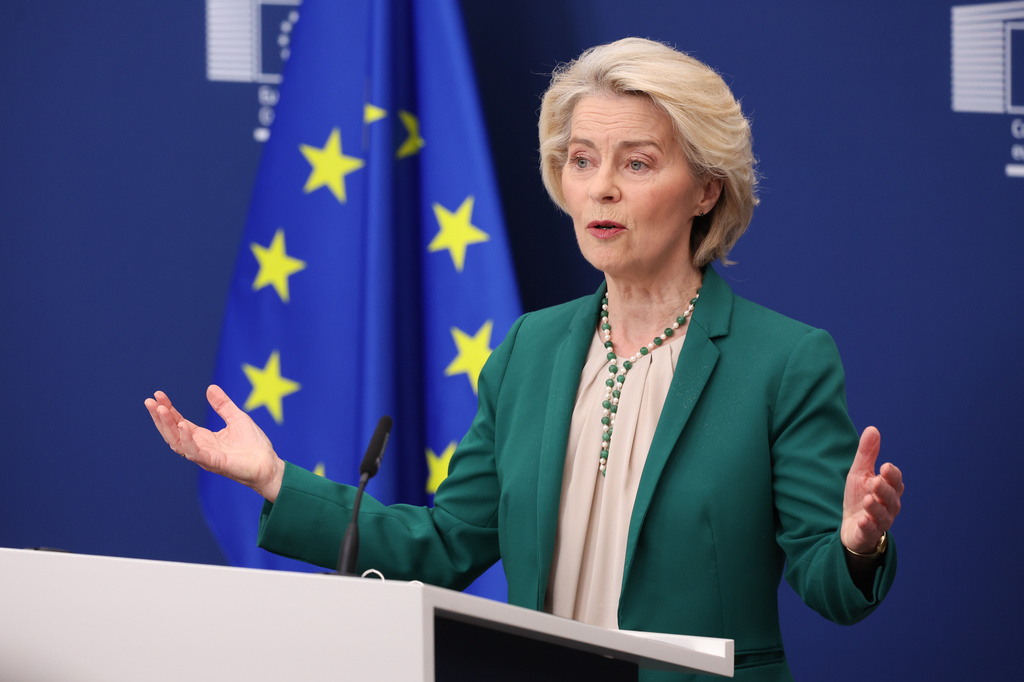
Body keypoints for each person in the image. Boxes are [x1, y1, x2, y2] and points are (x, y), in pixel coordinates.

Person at [146, 37, 903, 681]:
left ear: (706, 188)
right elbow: (444, 547)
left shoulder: (785, 362)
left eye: (636, 164)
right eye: (581, 159)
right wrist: (273, 479)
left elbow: (831, 583)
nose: (600, 187)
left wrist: (855, 547)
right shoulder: (529, 352)